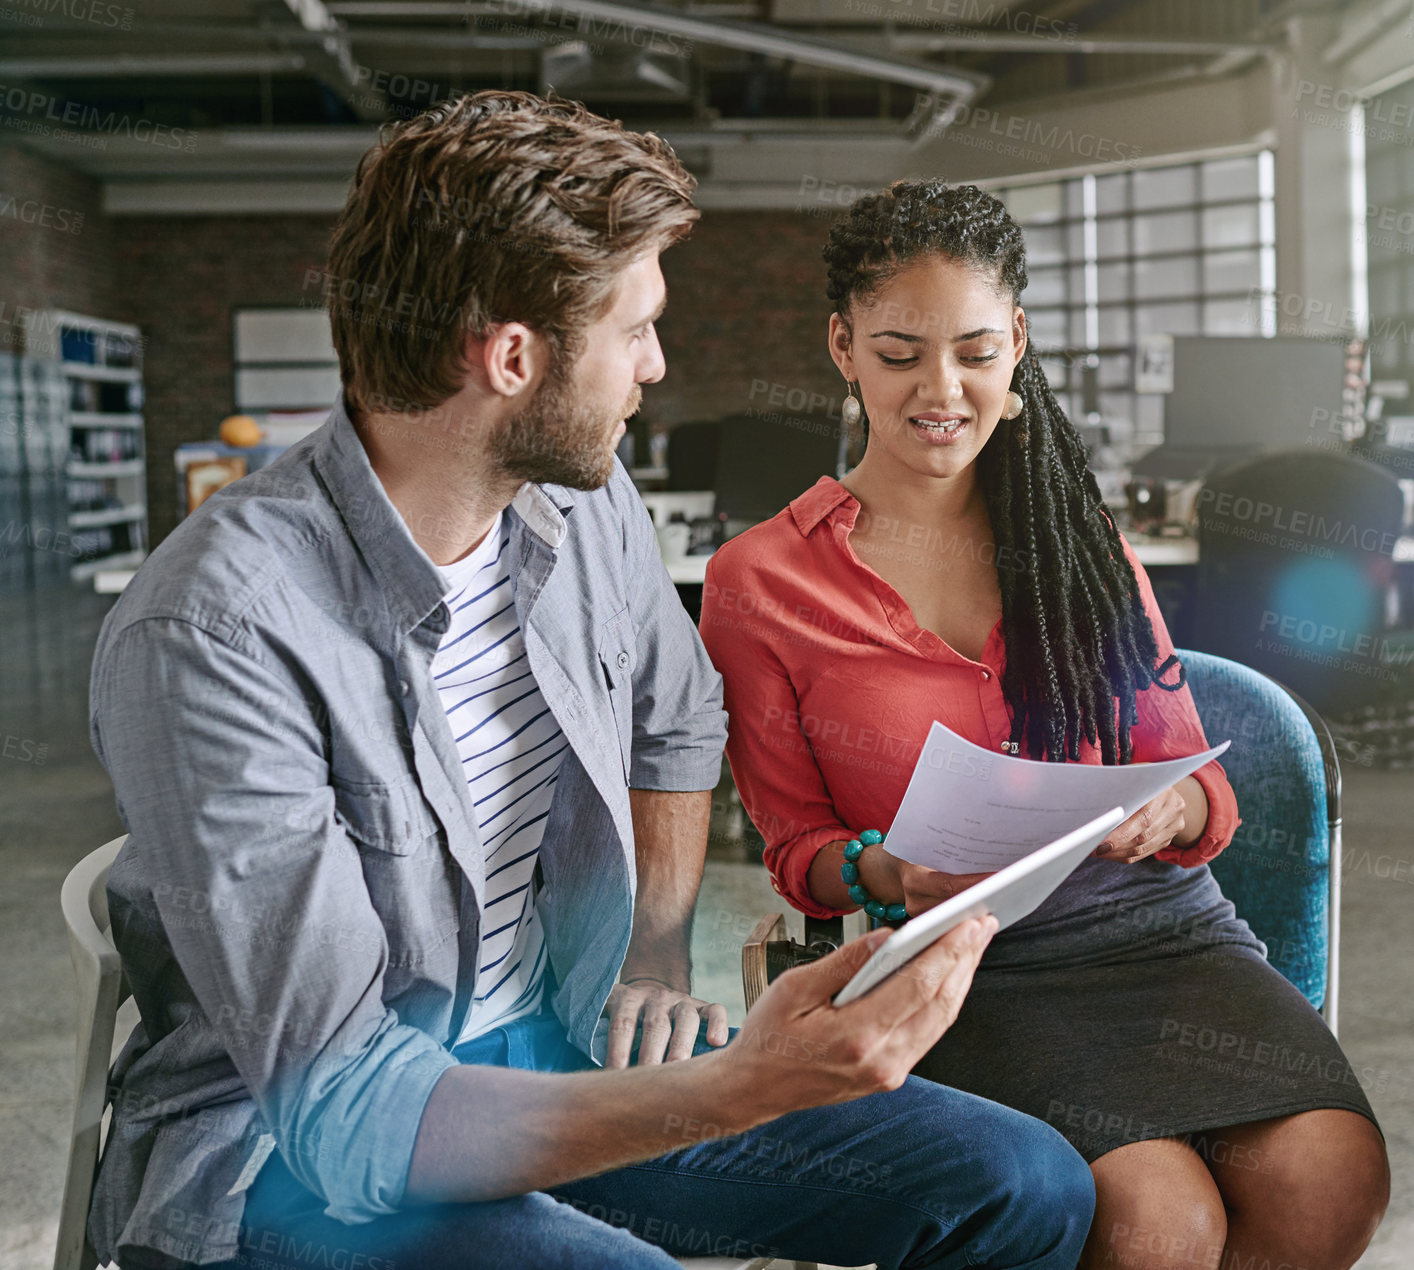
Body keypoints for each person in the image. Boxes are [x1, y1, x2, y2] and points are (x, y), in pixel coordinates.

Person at [86, 98, 1096, 1270]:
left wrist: (652, 956)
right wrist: (741, 1088)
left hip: (547, 1040)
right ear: (512, 357)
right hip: (302, 1158)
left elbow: (675, 720)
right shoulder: (215, 632)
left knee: (1024, 1186)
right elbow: (351, 1112)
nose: (656, 368)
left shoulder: (583, 500)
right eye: (638, 328)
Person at [699, 180, 1390, 1270]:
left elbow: (1198, 780)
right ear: (840, 345)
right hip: (965, 956)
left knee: (1331, 1175)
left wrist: (1167, 803)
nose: (943, 388)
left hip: (1155, 929)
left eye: (976, 351)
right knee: (1162, 1226)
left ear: (1016, 341)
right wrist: (884, 871)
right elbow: (796, 855)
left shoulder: (1073, 535)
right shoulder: (759, 583)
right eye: (898, 353)